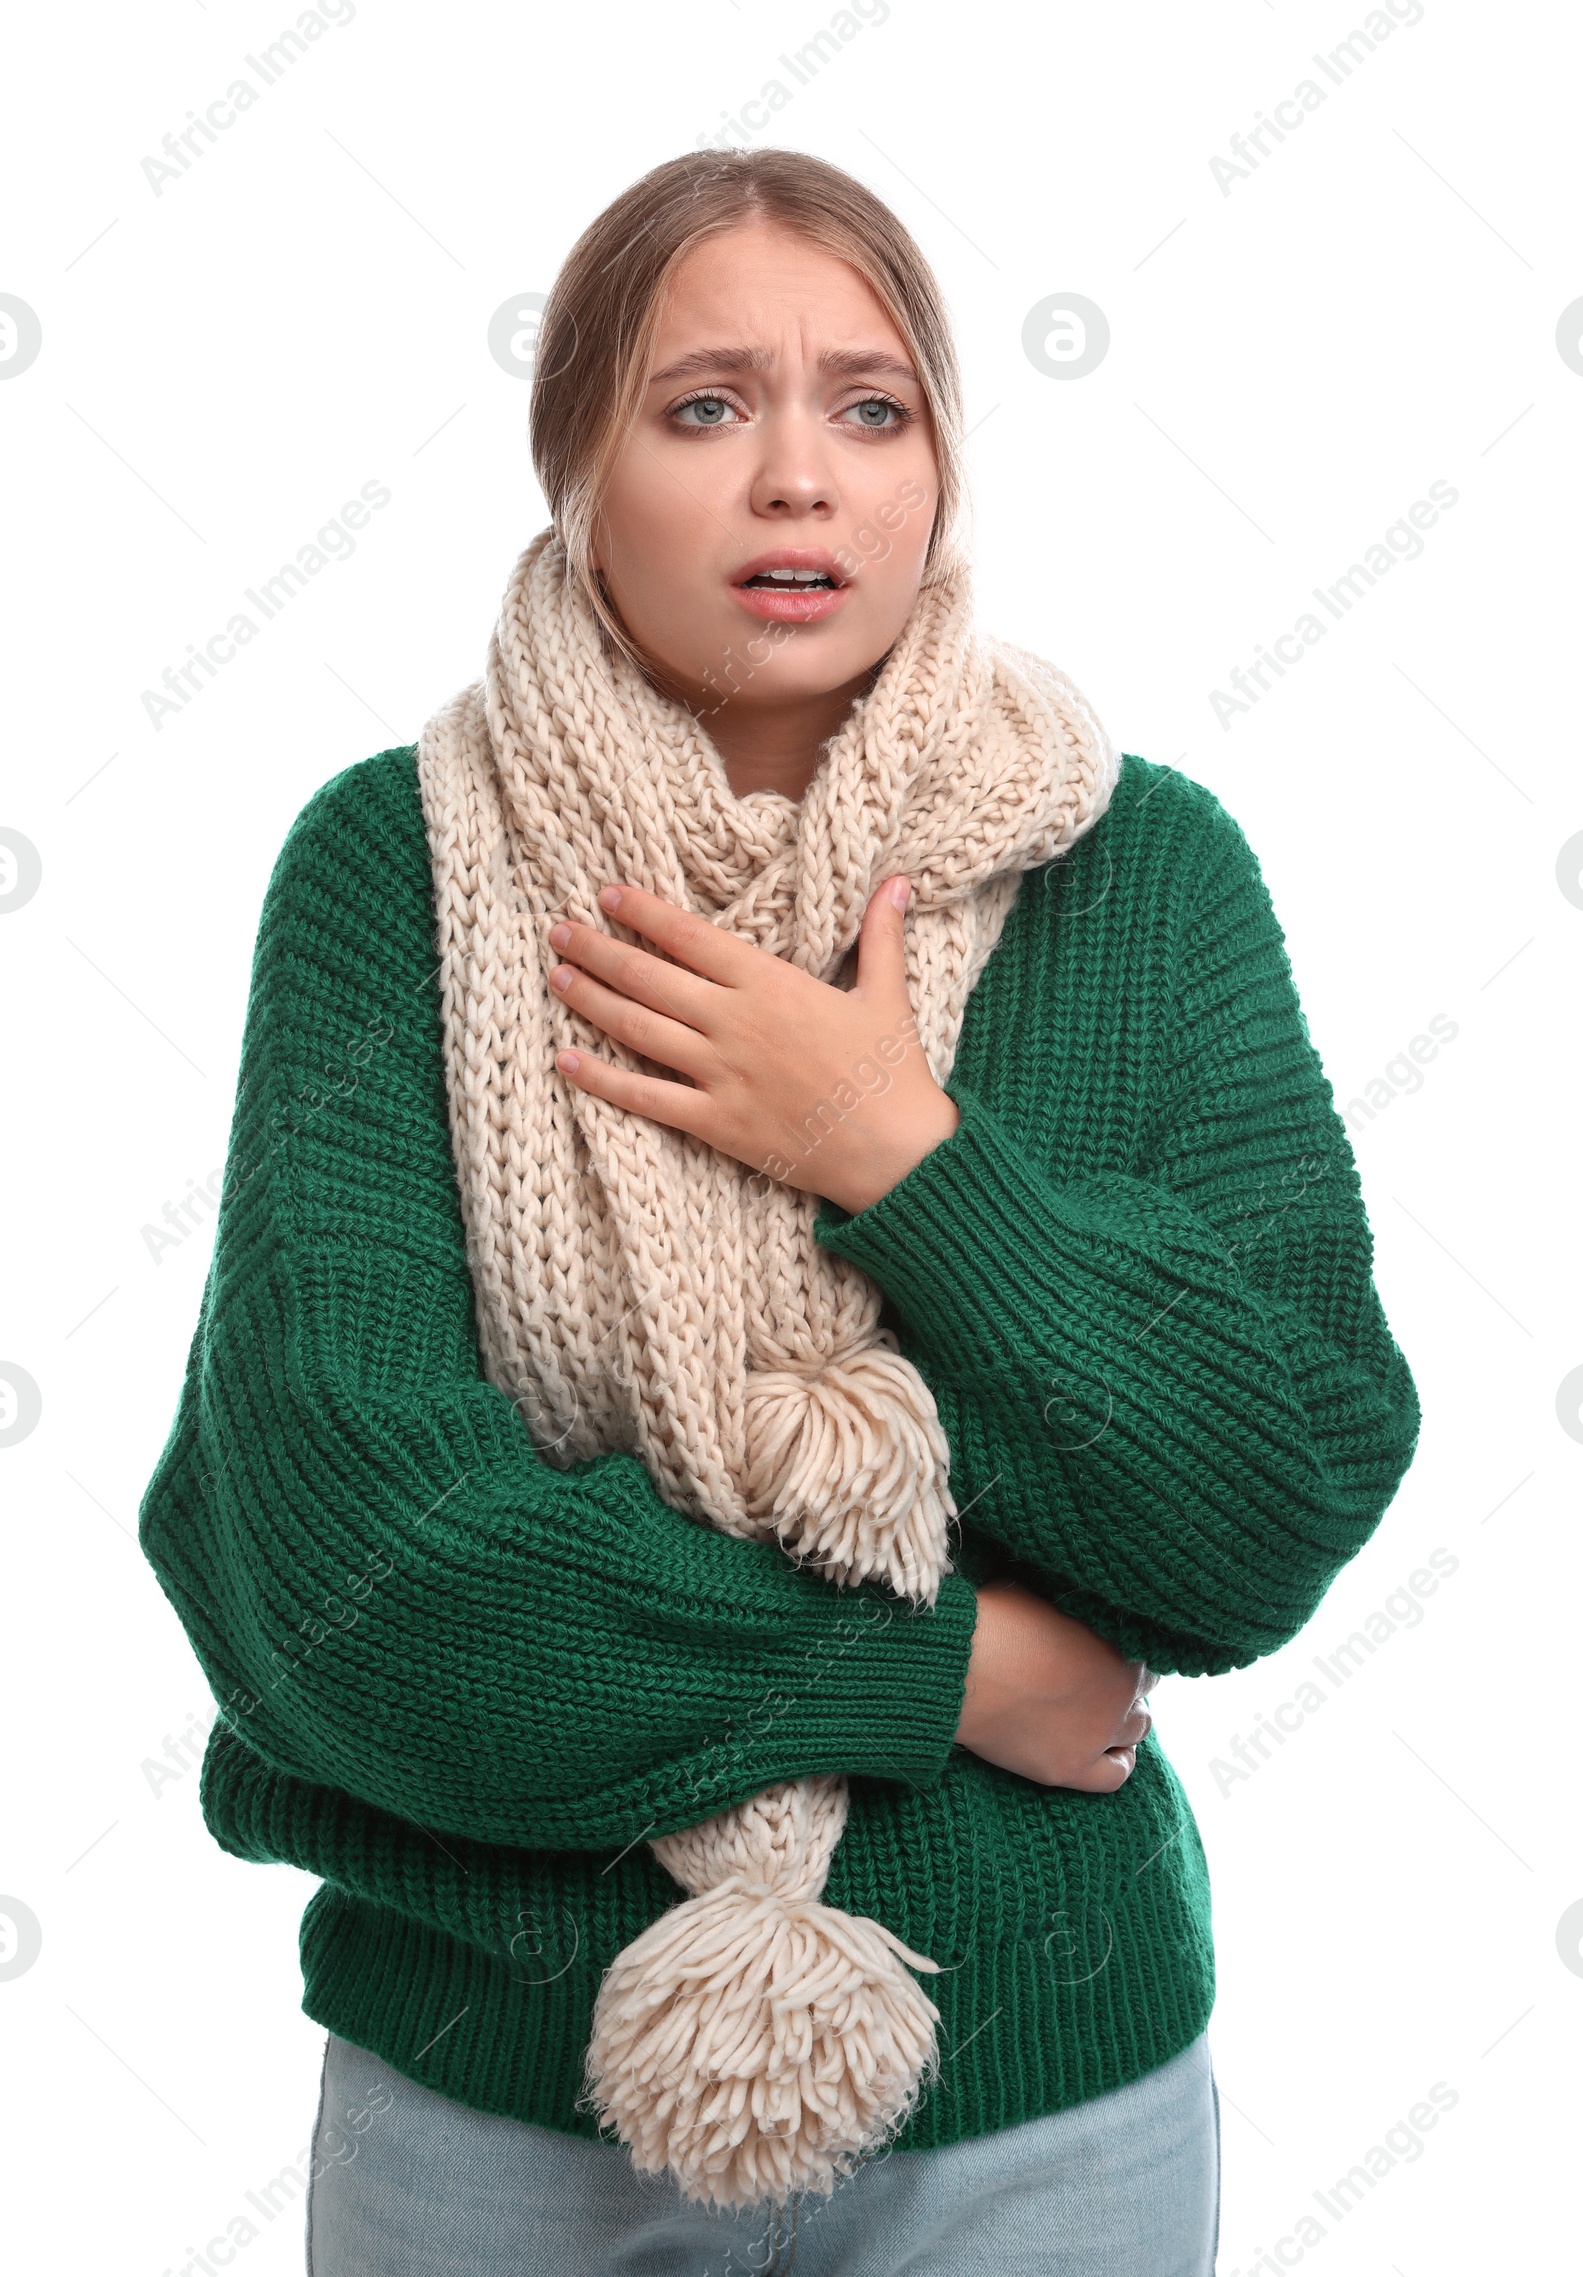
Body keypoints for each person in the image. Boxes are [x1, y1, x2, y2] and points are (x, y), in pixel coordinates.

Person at [138, 148, 1421, 2276]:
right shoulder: (389, 871)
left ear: (939, 467)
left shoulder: (1141, 869)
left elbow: (1264, 1498)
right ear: (576, 465)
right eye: (704, 404)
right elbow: (346, 1566)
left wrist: (898, 1157)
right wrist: (938, 1674)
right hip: (494, 2100)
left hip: (1047, 2096)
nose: (796, 479)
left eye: (870, 405)